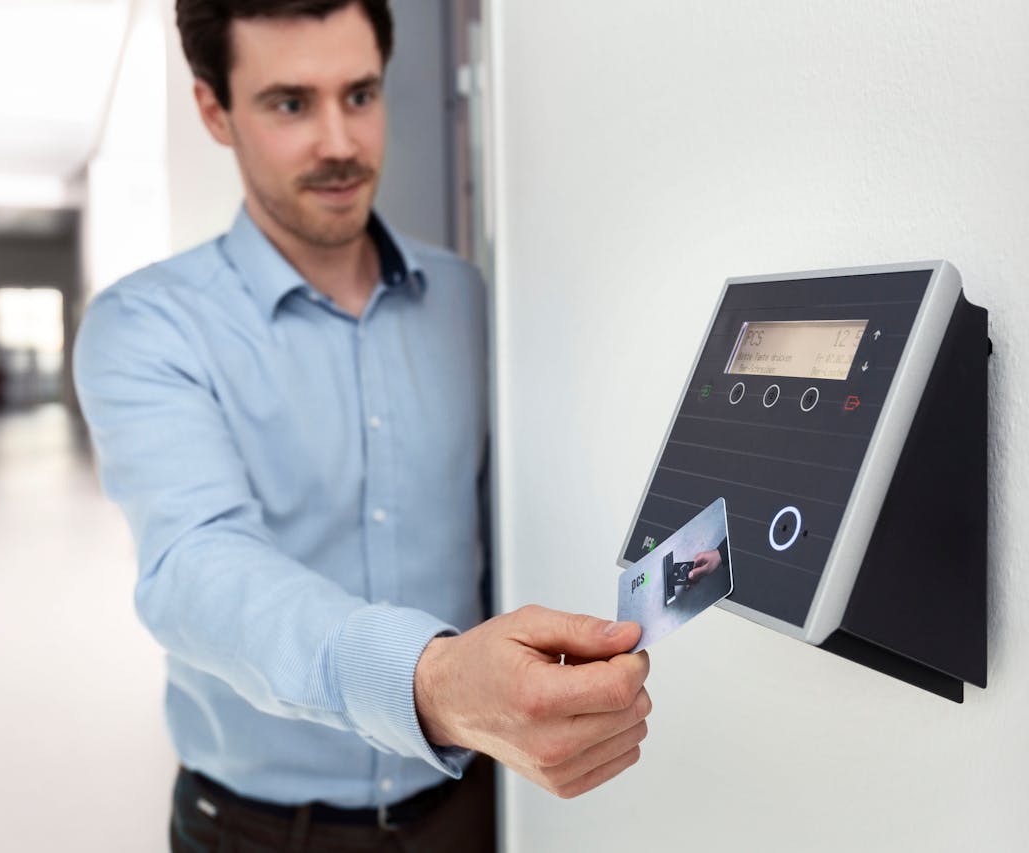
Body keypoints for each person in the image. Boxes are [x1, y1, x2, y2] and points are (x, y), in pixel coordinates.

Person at [72, 1, 652, 850]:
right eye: (289, 103)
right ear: (214, 111)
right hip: (258, 831)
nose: (339, 142)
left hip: (465, 808)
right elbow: (196, 565)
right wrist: (435, 678)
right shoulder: (146, 326)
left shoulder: (470, 299)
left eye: (360, 94)